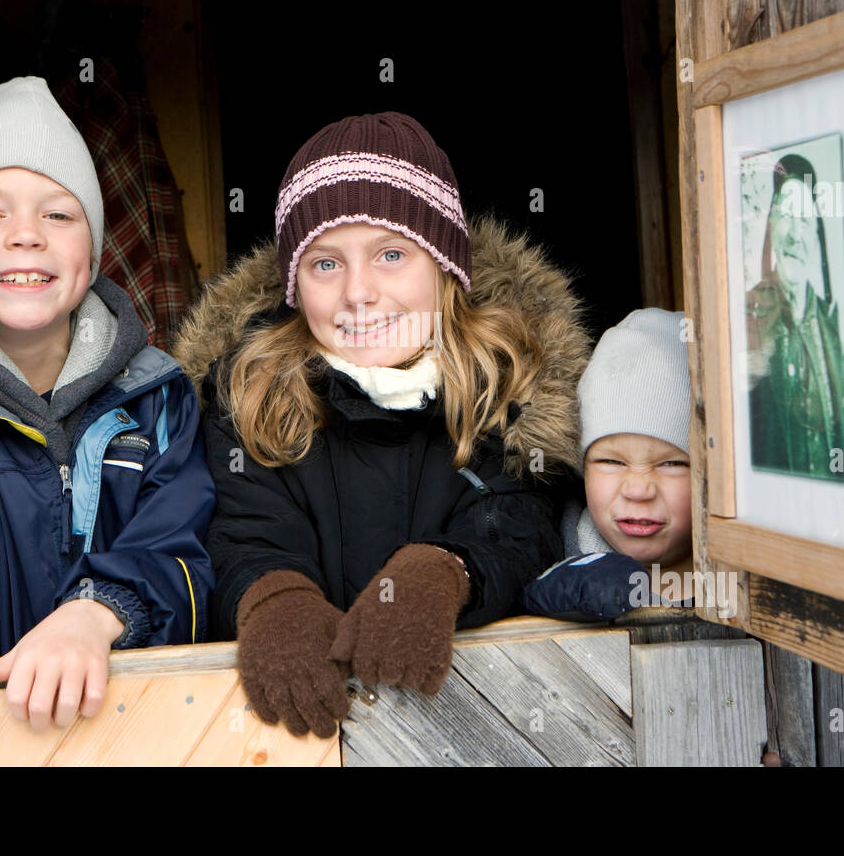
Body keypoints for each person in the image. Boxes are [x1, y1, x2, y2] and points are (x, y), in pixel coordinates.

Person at [173, 111, 590, 738]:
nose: (358, 292)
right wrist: (274, 597)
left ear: (444, 265)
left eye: (390, 254)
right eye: (324, 264)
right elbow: (242, 527)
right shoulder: (249, 393)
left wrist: (447, 571)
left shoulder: (506, 384)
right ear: (294, 285)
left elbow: (520, 523)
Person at [0, 76, 215, 731]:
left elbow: (189, 551)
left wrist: (98, 611)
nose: (25, 234)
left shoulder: (159, 399)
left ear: (90, 256)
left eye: (58, 214)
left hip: (145, 732)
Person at [522, 308, 695, 620]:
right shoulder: (543, 561)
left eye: (671, 463)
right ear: (583, 468)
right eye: (611, 461)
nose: (638, 490)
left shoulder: (753, 583)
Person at [746, 154, 844, 482]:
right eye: (788, 216)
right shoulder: (748, 317)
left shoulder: (830, 324)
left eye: (806, 220)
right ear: (771, 224)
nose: (796, 233)